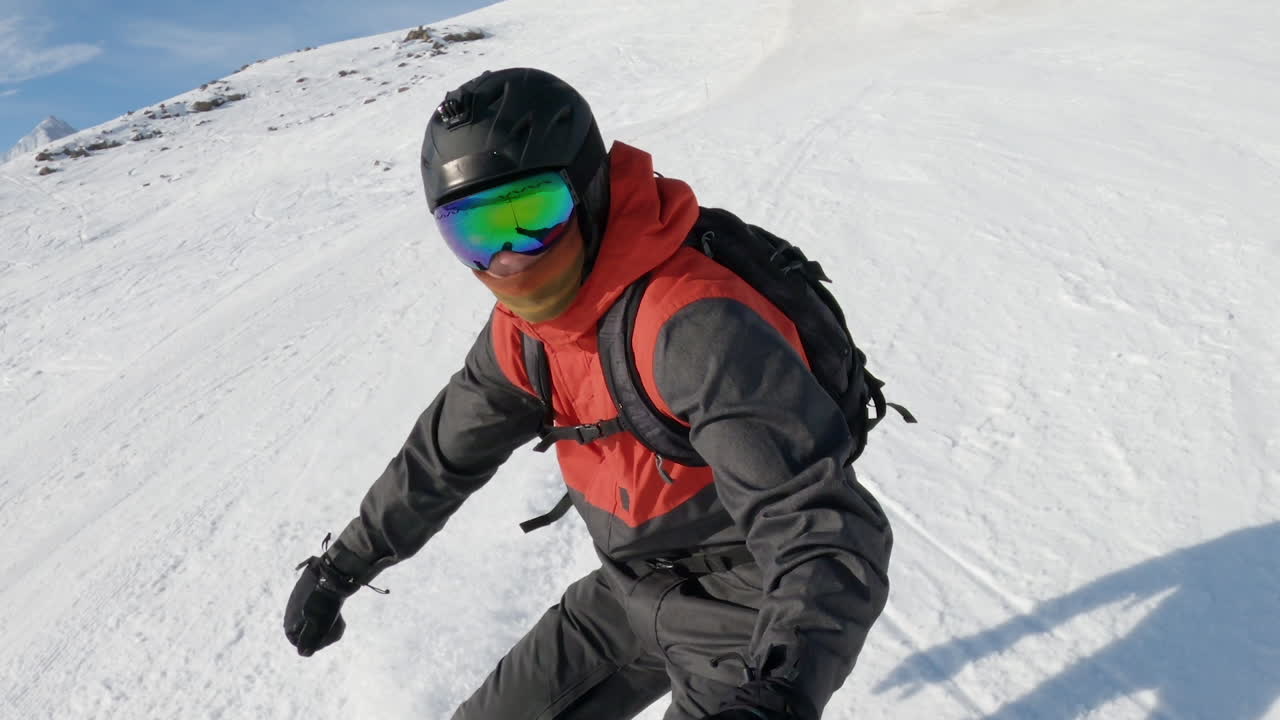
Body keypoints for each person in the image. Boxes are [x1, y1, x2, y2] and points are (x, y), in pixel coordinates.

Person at [284, 67, 893, 720]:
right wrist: (338, 568)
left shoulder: (689, 324)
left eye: (533, 215)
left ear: (591, 189)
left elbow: (821, 530)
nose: (509, 260)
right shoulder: (526, 337)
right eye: (475, 234)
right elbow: (439, 459)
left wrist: (780, 692)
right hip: (626, 591)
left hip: (743, 605)